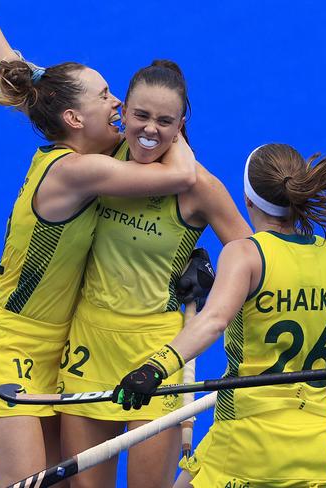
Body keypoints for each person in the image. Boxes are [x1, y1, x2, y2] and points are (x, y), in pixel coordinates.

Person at [0, 2, 200, 487]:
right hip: (7, 344)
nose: (118, 105)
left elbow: (26, 86)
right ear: (73, 117)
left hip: (60, 347)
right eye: (107, 95)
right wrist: (172, 123)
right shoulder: (75, 170)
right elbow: (182, 174)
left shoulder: (89, 146)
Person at [114, 143, 326, 487]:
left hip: (247, 445)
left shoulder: (245, 255)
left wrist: (154, 368)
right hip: (314, 451)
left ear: (248, 200)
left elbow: (214, 320)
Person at [54, 60, 252, 488]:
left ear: (182, 124)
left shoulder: (198, 187)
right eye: (141, 115)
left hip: (156, 356)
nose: (150, 129)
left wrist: (216, 277)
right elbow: (42, 98)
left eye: (165, 121)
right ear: (122, 110)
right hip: (88, 347)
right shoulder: (98, 161)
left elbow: (253, 255)